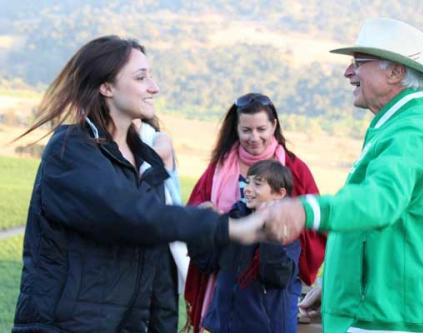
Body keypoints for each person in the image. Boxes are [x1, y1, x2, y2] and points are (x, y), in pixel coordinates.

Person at [12, 35, 264, 333]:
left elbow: (157, 265)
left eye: (151, 77)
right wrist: (226, 227)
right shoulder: (71, 151)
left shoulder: (145, 162)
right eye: (141, 77)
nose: (154, 88)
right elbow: (131, 214)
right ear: (106, 87)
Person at [259, 18, 423, 333]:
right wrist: (338, 282)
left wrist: (306, 209)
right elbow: (374, 231)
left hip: (392, 320)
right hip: (384, 312)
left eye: (358, 63)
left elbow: (377, 203)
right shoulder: (395, 125)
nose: (348, 72)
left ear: (396, 72)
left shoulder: (411, 132)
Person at [184, 92, 326, 332]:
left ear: (274, 126)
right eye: (246, 130)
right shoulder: (219, 168)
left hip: (269, 297)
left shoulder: (295, 169)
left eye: (261, 129)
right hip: (227, 286)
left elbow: (315, 224)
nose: (254, 137)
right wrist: (210, 221)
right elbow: (195, 218)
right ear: (236, 129)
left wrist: (275, 227)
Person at [189, 159, 300, 333]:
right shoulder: (235, 222)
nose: (247, 189)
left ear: (279, 193)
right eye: (247, 182)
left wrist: (269, 233)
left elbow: (277, 277)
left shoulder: (287, 233)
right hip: (222, 326)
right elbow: (207, 263)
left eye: (257, 184)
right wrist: (200, 230)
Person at [134, 117, 190, 295]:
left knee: (161, 309)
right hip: (135, 238)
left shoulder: (158, 138)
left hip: (163, 243)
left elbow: (158, 153)